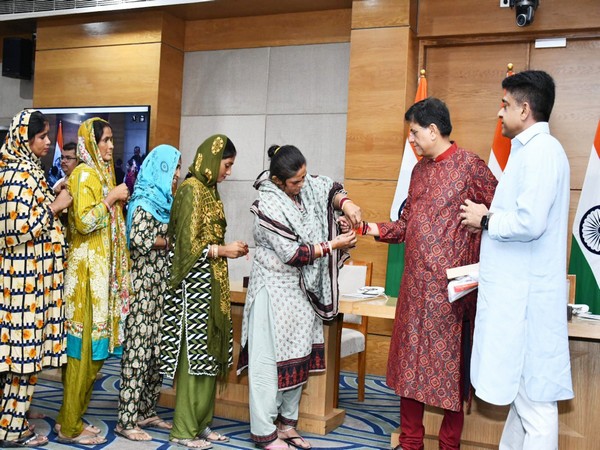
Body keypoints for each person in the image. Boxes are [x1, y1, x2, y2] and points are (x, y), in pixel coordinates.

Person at [357, 98, 497, 450]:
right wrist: (366, 227)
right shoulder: (418, 171)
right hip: (414, 290)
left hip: (451, 296)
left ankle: (449, 446)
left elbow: (501, 213)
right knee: (408, 370)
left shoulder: (471, 167)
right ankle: (410, 443)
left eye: (415, 132)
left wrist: (484, 222)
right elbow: (406, 226)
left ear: (433, 131)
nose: (412, 140)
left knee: (451, 375)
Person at [460, 70, 573, 449]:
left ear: (525, 109)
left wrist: (486, 219)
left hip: (525, 303)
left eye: (505, 105)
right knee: (524, 400)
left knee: (535, 405)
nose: (499, 113)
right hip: (518, 297)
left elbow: (530, 221)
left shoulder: (542, 152)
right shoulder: (530, 151)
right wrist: (489, 224)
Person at [238, 145, 361, 450]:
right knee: (269, 365)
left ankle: (286, 425)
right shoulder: (269, 205)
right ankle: (264, 432)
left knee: (299, 360)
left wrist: (345, 206)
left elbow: (327, 189)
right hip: (273, 292)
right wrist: (334, 243)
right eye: (296, 181)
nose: (303, 185)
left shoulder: (303, 189)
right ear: (279, 181)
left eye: (304, 177)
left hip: (302, 292)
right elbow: (294, 253)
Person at [160, 134, 249, 449]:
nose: (228, 172)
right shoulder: (190, 191)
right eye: (226, 165)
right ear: (212, 161)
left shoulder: (210, 190)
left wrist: (225, 251)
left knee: (210, 354)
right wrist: (223, 250)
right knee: (193, 357)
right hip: (192, 288)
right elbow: (183, 247)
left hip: (212, 285)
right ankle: (183, 429)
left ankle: (201, 424)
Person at [56, 118, 131, 445]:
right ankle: (69, 425)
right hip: (85, 281)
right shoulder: (85, 174)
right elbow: (84, 222)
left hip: (100, 281)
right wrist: (111, 198)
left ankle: (70, 418)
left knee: (95, 354)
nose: (111, 146)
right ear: (91, 143)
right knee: (82, 356)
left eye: (113, 140)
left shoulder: (100, 174)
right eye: (105, 140)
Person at [0, 110, 72, 448]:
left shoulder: (28, 171)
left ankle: (15, 418)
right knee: (21, 359)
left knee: (22, 360)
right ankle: (12, 430)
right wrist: (56, 206)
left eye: (47, 137)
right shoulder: (17, 175)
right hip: (20, 286)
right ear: (24, 138)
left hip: (31, 285)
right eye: (41, 136)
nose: (46, 142)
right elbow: (16, 230)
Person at [115, 145, 181, 441]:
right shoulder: (143, 200)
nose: (178, 173)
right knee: (137, 353)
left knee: (155, 352)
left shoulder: (165, 201)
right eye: (175, 167)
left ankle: (147, 411)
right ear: (162, 169)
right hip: (142, 288)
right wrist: (169, 241)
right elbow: (139, 239)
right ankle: (126, 420)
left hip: (160, 288)